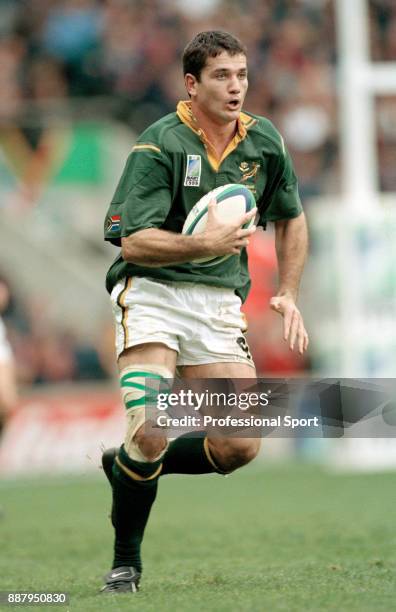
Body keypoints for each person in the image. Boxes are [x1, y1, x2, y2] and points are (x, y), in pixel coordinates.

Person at [100, 30, 309, 594]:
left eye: (241, 74)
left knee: (239, 446)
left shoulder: (264, 141)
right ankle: (126, 565)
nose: (236, 85)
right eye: (221, 75)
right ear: (191, 84)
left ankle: (128, 469)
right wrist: (203, 244)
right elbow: (131, 240)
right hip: (154, 294)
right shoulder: (157, 144)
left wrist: (287, 290)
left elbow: (290, 216)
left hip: (218, 302)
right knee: (151, 430)